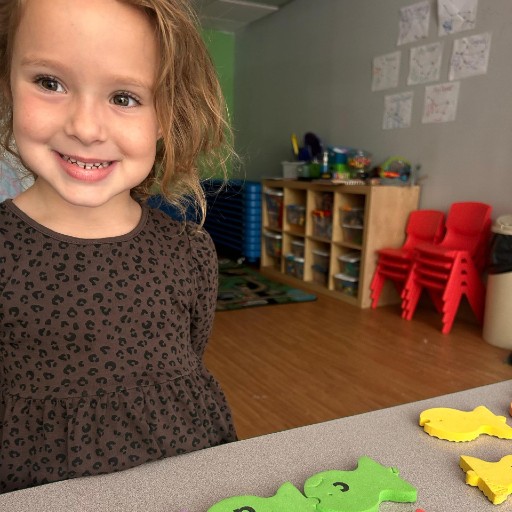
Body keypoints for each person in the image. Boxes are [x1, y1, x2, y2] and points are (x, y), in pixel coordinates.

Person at [0, 0, 237, 493]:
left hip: (184, 483)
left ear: (167, 116)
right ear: (6, 85)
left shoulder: (189, 251)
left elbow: (190, 357)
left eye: (125, 97)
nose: (85, 127)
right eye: (50, 83)